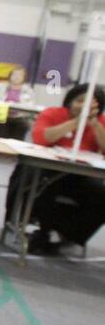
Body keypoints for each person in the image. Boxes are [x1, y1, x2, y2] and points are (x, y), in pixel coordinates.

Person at [18, 82, 105, 255]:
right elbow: (41, 138)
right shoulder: (53, 113)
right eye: (80, 101)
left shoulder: (101, 122)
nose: (83, 106)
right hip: (48, 170)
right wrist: (76, 122)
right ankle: (42, 232)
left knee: (101, 197)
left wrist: (94, 124)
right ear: (70, 100)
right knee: (45, 189)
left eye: (90, 104)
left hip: (82, 175)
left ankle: (68, 235)